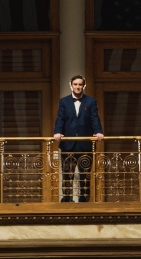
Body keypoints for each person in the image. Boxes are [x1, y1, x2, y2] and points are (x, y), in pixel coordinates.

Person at [52, 74, 103, 202]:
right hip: (68, 144)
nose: (78, 87)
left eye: (80, 84)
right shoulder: (64, 101)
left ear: (84, 86)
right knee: (67, 173)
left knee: (85, 174)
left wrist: (98, 132)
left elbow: (94, 118)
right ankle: (67, 198)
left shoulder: (91, 101)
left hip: (85, 144)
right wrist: (57, 132)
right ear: (71, 85)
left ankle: (84, 199)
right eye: (75, 84)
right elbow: (60, 118)